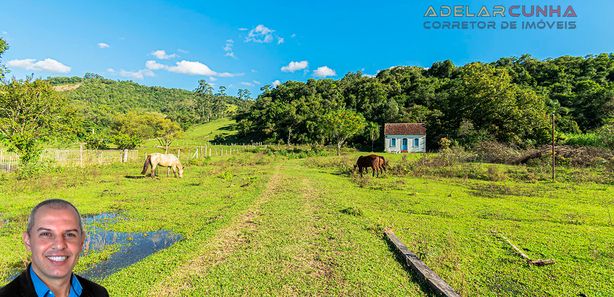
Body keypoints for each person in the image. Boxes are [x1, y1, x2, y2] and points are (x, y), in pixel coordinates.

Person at [0, 199, 109, 297]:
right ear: (28, 241)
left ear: (81, 241)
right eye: (46, 234)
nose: (59, 245)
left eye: (70, 234)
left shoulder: (99, 293)